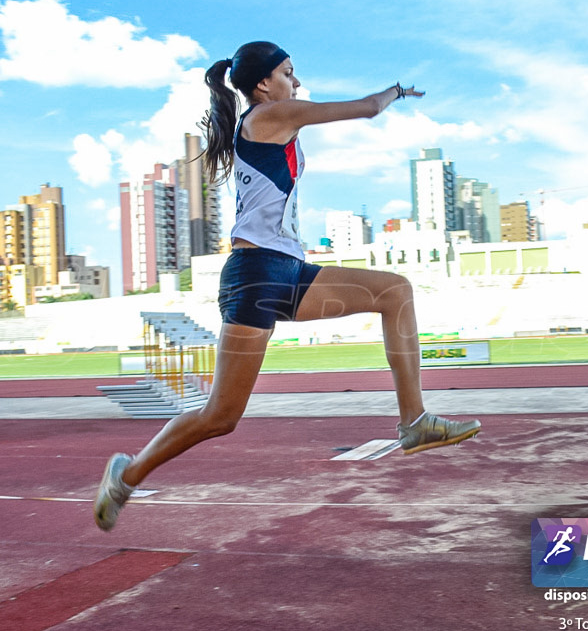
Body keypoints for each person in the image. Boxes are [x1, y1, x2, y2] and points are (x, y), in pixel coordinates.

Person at [95, 41, 480, 531]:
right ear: (263, 83)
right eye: (289, 73)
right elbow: (364, 108)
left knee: (395, 291)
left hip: (289, 271)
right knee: (221, 416)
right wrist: (396, 91)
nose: (296, 83)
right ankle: (125, 476)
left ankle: (416, 423)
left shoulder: (270, 122)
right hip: (255, 277)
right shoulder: (269, 116)